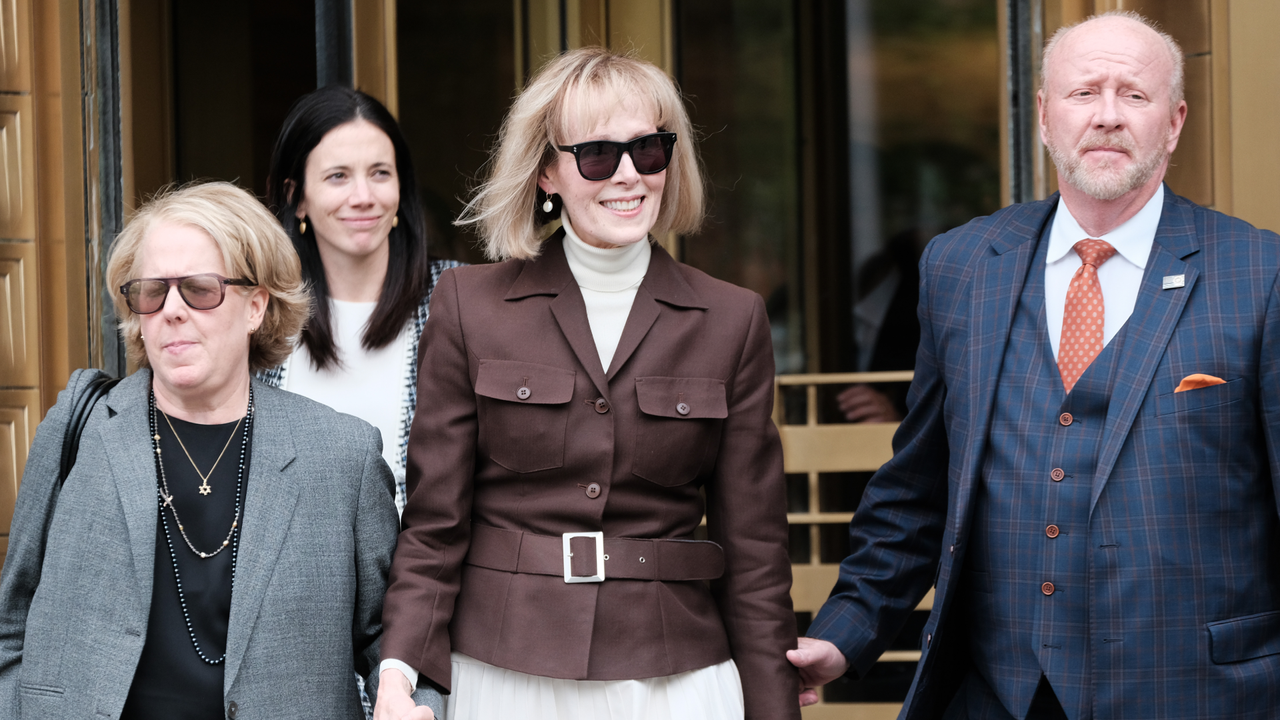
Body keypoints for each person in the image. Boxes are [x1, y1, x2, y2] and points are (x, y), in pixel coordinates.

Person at [788, 10, 1280, 719]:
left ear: (1173, 123)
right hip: (998, 696)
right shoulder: (961, 267)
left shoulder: (1257, 274)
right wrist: (843, 637)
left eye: (1133, 96)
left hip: (1195, 694)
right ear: (1045, 117)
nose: (1108, 116)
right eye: (1084, 93)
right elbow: (917, 492)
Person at [374, 47, 799, 720]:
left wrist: (775, 710)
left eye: (649, 150)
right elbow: (435, 525)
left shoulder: (732, 319)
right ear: (547, 171)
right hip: (504, 669)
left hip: (674, 676)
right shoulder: (468, 306)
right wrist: (397, 671)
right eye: (598, 155)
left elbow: (756, 553)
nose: (628, 175)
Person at [0, 182, 399, 719]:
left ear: (256, 306)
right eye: (151, 291)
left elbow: (389, 638)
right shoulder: (80, 428)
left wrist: (408, 700)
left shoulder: (341, 456)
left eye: (199, 289)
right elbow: (11, 622)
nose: (171, 310)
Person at [261, 86, 463, 513]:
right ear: (297, 197)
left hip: (428, 570)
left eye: (379, 173)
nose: (363, 196)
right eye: (338, 176)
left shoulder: (459, 299)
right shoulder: (261, 313)